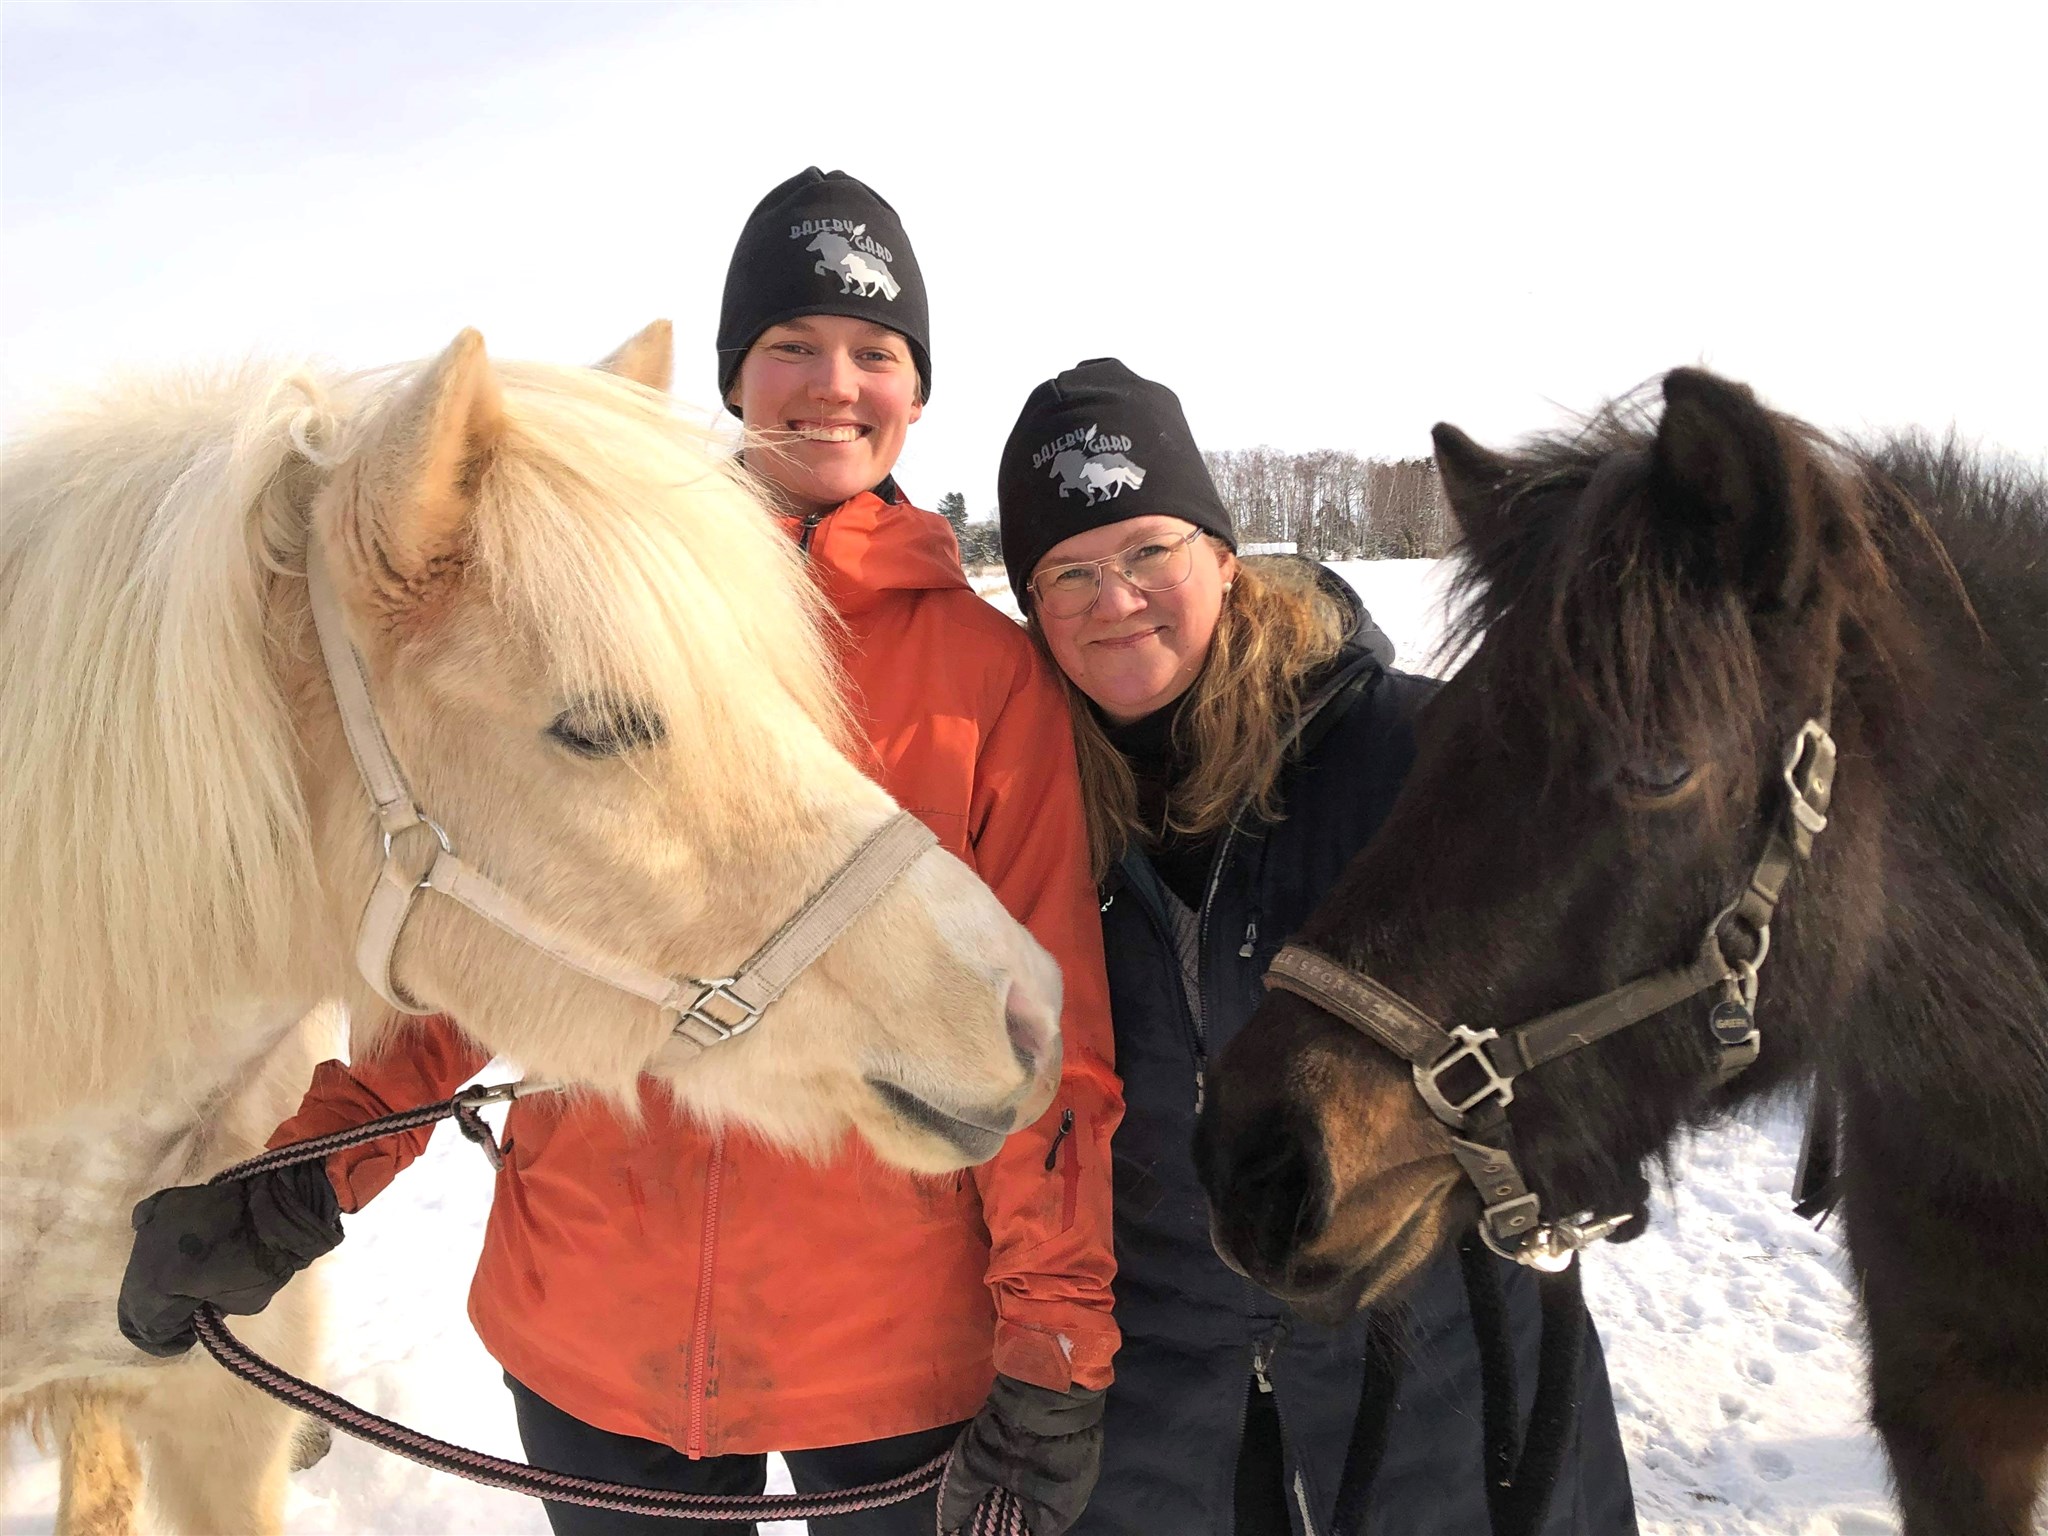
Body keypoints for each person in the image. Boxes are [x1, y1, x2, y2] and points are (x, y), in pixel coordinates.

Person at [119, 170, 1122, 1536]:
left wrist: (1051, 1349)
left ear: (918, 393)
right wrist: (296, 1185)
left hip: (880, 1347)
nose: (834, 383)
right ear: (733, 377)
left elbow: (1044, 1044)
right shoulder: (589, 619)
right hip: (598, 1323)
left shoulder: (984, 675)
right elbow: (482, 933)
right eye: (791, 346)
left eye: (876, 353)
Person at [996, 359, 1639, 1535]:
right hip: (1156, 1404)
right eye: (1069, 572)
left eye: (1149, 552)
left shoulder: (1421, 753)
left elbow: (1614, 941)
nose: (1115, 599)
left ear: (1223, 558)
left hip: (1434, 1374)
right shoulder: (1025, 815)